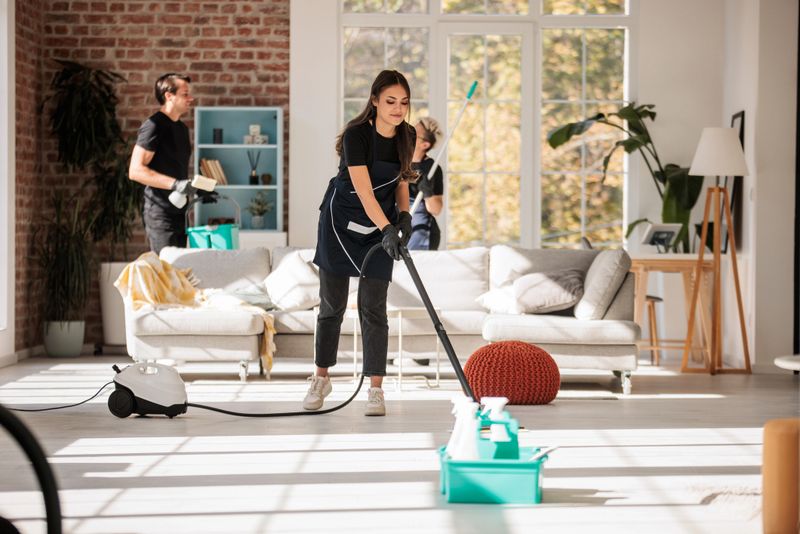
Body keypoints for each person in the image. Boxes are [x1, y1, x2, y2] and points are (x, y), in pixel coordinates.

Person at [304, 70, 417, 417]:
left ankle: (375, 388)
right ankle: (321, 377)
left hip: (379, 224)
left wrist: (404, 217)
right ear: (374, 102)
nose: (397, 109)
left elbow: (400, 182)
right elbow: (364, 191)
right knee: (331, 308)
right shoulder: (357, 136)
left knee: (373, 309)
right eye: (390, 102)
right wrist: (387, 229)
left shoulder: (407, 135)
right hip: (340, 224)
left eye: (404, 103)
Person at [129, 73, 196, 255]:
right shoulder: (154, 126)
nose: (190, 98)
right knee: (165, 271)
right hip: (160, 214)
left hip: (180, 212)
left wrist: (197, 190)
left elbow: (174, 169)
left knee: (178, 271)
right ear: (169, 96)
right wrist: (175, 184)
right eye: (185, 94)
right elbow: (135, 170)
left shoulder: (182, 129)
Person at [407, 117, 445, 250]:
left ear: (425, 145)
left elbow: (436, 209)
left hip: (421, 232)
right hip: (398, 226)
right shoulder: (398, 161)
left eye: (414, 134)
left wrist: (427, 191)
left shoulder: (431, 168)